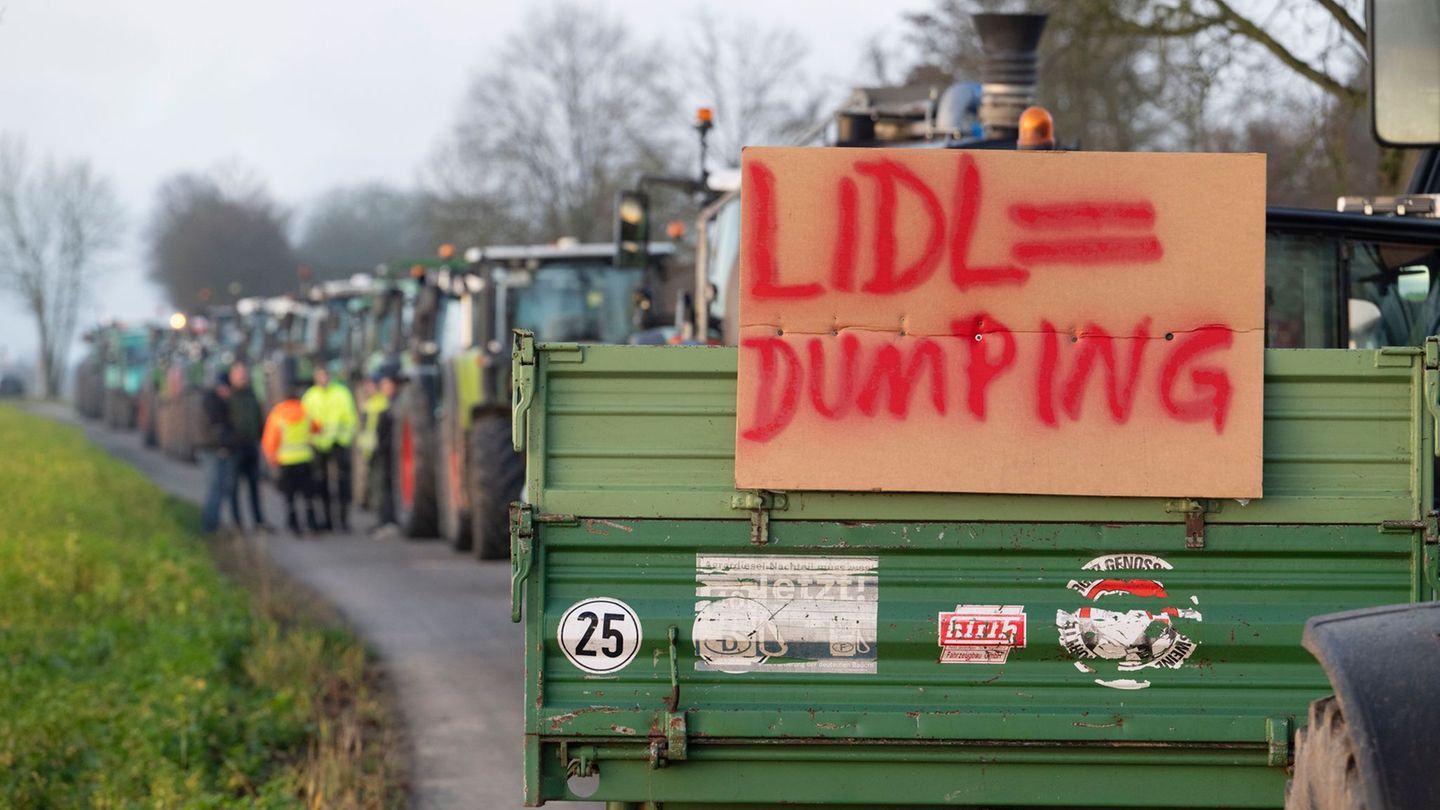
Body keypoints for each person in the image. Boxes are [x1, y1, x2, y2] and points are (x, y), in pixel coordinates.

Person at [302, 366, 358, 532]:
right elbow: (306, 419)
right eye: (319, 377)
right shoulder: (310, 396)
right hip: (319, 445)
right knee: (321, 484)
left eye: (325, 376)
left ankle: (343, 520)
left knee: (342, 483)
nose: (322, 380)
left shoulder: (341, 393)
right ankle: (326, 520)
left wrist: (345, 437)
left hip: (339, 442)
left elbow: (350, 417)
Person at [261, 383, 321, 536]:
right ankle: (312, 523)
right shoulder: (305, 411)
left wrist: (270, 457)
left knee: (290, 495)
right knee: (308, 494)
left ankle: (293, 524)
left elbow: (270, 439)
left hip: (286, 461)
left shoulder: (278, 413)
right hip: (304, 459)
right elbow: (317, 428)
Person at [227, 362, 273, 532]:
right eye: (238, 374)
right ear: (232, 376)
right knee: (234, 487)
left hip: (251, 445)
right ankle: (237, 522)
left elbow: (258, 418)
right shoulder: (229, 397)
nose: (242, 377)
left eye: (244, 374)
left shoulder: (252, 395)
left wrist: (262, 438)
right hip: (235, 448)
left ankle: (258, 520)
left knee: (254, 486)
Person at [199, 370, 237, 533]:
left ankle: (215, 523)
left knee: (221, 488)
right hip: (213, 450)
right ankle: (211, 525)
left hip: (216, 449)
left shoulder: (216, 401)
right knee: (215, 487)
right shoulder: (212, 403)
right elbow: (214, 429)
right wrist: (221, 446)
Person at [363, 373, 399, 537]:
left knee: (384, 488)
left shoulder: (384, 404)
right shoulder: (372, 404)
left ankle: (388, 521)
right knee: (378, 489)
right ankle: (382, 521)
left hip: (384, 453)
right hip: (374, 453)